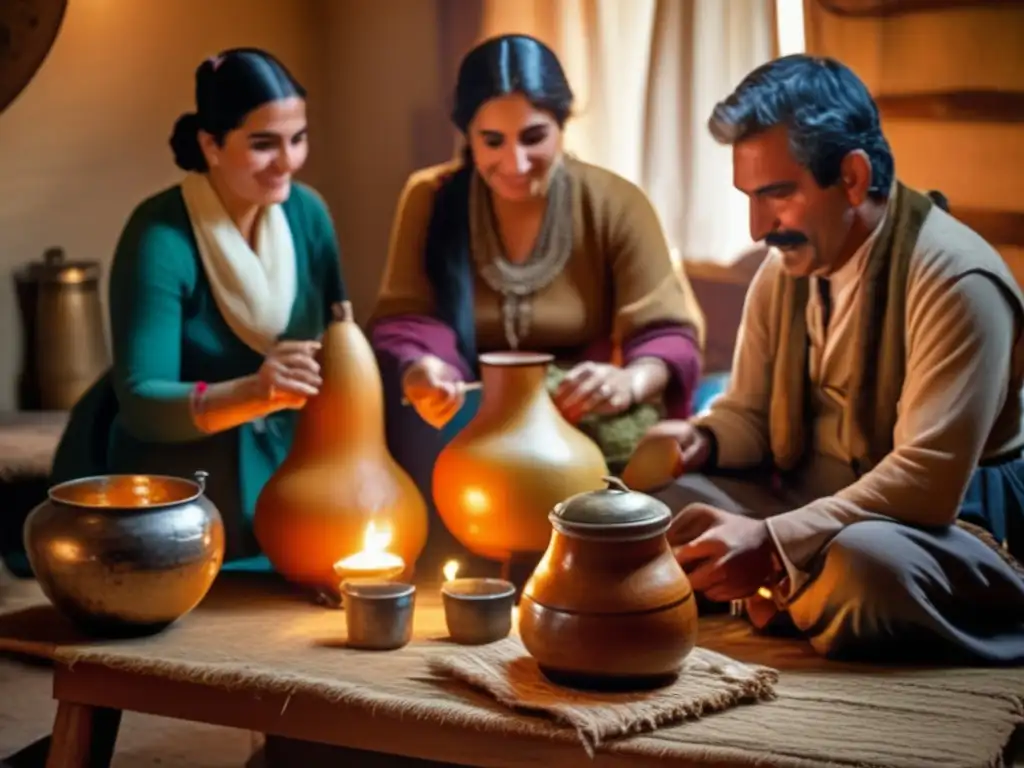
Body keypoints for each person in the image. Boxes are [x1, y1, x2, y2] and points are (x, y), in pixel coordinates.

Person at [638, 54, 1024, 663]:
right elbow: (748, 413)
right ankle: (791, 593)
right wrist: (703, 441)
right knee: (663, 510)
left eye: (778, 194)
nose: (758, 226)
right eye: (748, 197)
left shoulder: (957, 279)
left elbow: (926, 483)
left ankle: (779, 589)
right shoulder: (785, 267)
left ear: (851, 176)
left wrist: (769, 544)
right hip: (805, 509)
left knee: (866, 568)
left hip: (939, 530)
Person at [45, 48, 347, 569]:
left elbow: (342, 339)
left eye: (297, 140)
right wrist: (256, 392)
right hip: (181, 467)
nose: (287, 162)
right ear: (210, 144)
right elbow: (142, 399)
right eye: (262, 144)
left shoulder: (309, 214)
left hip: (295, 457)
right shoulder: (160, 235)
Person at [369, 34, 706, 469]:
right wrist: (421, 369)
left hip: (585, 435)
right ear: (467, 135)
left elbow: (668, 335)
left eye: (534, 138)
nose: (516, 163)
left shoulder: (616, 202)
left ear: (562, 124)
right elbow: (406, 320)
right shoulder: (430, 197)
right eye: (492, 142)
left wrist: (630, 381)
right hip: (464, 431)